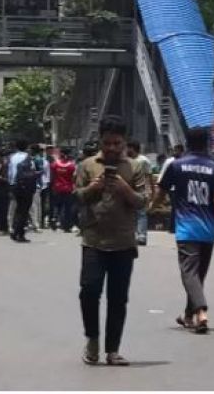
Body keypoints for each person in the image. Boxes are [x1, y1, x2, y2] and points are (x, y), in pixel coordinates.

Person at [74, 115, 148, 366]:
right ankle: (92, 339)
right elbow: (77, 196)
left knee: (118, 298)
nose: (113, 148)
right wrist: (93, 189)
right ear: (101, 141)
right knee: (89, 292)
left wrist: (124, 189)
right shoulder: (87, 165)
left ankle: (113, 349)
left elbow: (142, 202)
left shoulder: (136, 167)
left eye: (118, 143)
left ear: (125, 143)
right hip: (93, 240)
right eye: (108, 143)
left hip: (123, 244)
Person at [153, 127, 214, 334]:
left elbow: (161, 191)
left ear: (187, 142)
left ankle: (201, 312)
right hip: (208, 229)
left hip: (186, 228)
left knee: (189, 273)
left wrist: (152, 206)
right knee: (198, 275)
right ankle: (188, 315)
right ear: (206, 142)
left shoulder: (177, 165)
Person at [8, 140, 38, 243]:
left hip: (15, 185)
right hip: (26, 186)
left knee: (18, 210)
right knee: (24, 211)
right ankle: (20, 233)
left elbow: (10, 173)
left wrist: (11, 185)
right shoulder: (29, 158)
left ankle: (14, 230)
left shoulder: (12, 157)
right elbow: (32, 172)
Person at [126, 140, 153, 245]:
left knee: (141, 213)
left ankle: (142, 236)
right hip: (128, 189)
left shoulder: (143, 160)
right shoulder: (127, 161)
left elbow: (149, 176)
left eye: (129, 147)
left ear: (133, 148)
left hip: (140, 190)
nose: (127, 150)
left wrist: (151, 192)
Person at [51, 147, 77, 233]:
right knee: (67, 208)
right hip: (68, 188)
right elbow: (73, 178)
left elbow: (52, 176)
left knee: (57, 205)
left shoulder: (55, 164)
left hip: (57, 187)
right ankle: (66, 226)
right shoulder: (71, 166)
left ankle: (54, 219)